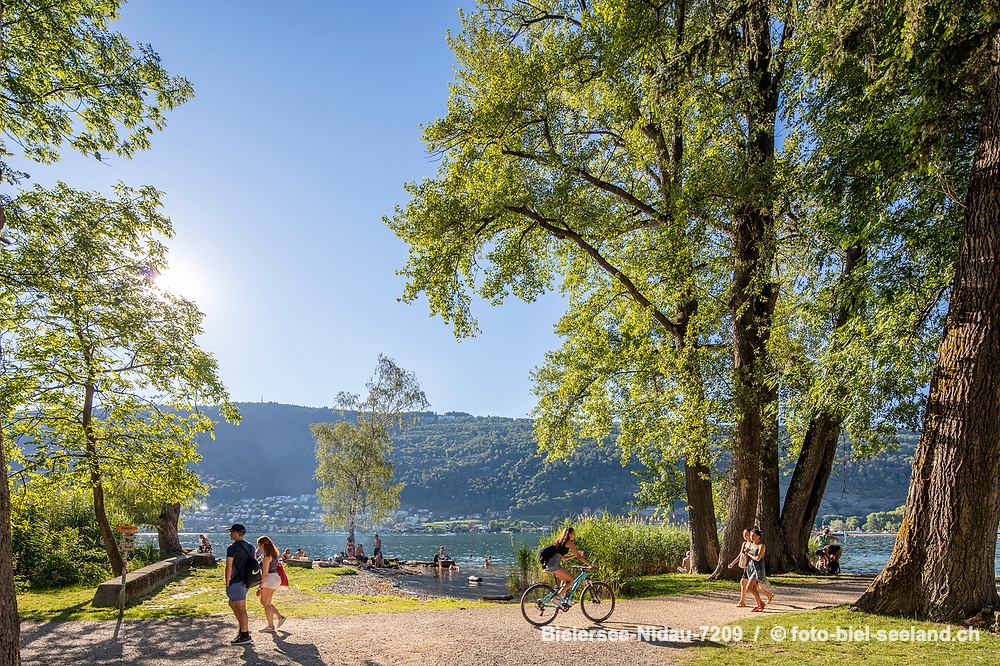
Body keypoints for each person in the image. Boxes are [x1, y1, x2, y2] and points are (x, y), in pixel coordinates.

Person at [539, 527, 593, 610]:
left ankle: (563, 599)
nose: (574, 535)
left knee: (565, 580)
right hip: (554, 564)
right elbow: (579, 557)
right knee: (571, 580)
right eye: (573, 533)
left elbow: (563, 558)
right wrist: (590, 565)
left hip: (550, 564)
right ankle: (557, 598)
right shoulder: (569, 543)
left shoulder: (560, 542)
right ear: (569, 534)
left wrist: (575, 555)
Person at [224, 524, 254, 645]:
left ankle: (245, 634)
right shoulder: (251, 547)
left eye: (231, 532)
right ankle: (243, 627)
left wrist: (227, 582)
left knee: (241, 608)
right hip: (246, 581)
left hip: (236, 581)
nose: (230, 534)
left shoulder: (232, 548)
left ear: (236, 533)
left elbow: (228, 567)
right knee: (232, 603)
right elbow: (253, 564)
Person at [255, 535, 287, 633]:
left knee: (266, 603)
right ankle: (279, 617)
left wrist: (260, 587)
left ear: (263, 545)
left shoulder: (266, 557)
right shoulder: (273, 555)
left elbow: (264, 574)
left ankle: (271, 625)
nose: (259, 547)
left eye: (259, 545)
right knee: (265, 602)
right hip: (275, 578)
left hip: (269, 579)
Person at [744, 528, 769, 612]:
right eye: (751, 536)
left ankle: (760, 603)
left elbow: (758, 558)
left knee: (748, 587)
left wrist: (749, 554)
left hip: (757, 569)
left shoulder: (761, 546)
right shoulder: (750, 545)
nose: (752, 537)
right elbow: (744, 553)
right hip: (751, 568)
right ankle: (760, 603)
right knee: (753, 587)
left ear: (758, 536)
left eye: (754, 536)